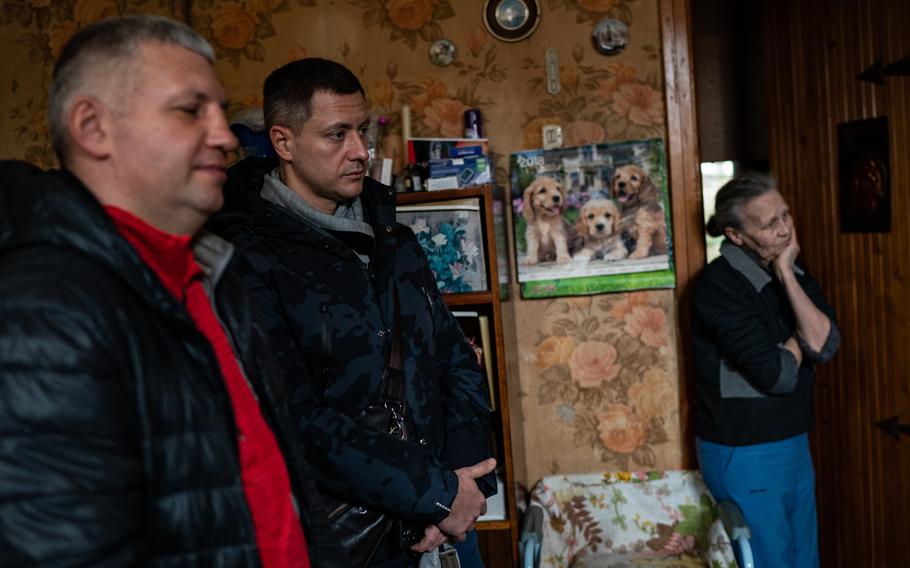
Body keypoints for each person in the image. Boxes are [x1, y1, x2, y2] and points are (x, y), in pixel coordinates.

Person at [0, 15, 342, 567]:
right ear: (92, 127)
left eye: (221, 114)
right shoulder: (44, 304)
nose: (226, 137)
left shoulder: (212, 274)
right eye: (190, 110)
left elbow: (283, 487)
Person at [207, 58, 497, 567]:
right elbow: (294, 420)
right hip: (353, 539)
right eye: (336, 134)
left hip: (449, 522)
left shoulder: (397, 239)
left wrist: (466, 479)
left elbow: (454, 356)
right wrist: (432, 495)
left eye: (361, 130)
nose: (360, 151)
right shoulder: (245, 256)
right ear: (284, 142)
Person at [692, 173, 840, 568]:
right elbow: (778, 375)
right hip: (744, 448)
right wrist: (802, 330)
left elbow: (825, 344)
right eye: (769, 223)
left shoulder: (791, 266)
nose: (785, 229)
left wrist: (788, 274)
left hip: (793, 439)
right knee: (768, 560)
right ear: (736, 235)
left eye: (785, 215)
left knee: (804, 560)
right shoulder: (718, 285)